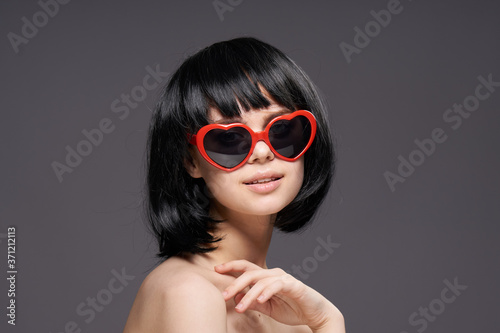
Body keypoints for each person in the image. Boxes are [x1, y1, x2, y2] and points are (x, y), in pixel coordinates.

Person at [123, 37, 345, 332]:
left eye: (281, 130)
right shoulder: (190, 293)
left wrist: (328, 321)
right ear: (190, 161)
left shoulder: (293, 314)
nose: (262, 151)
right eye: (228, 138)